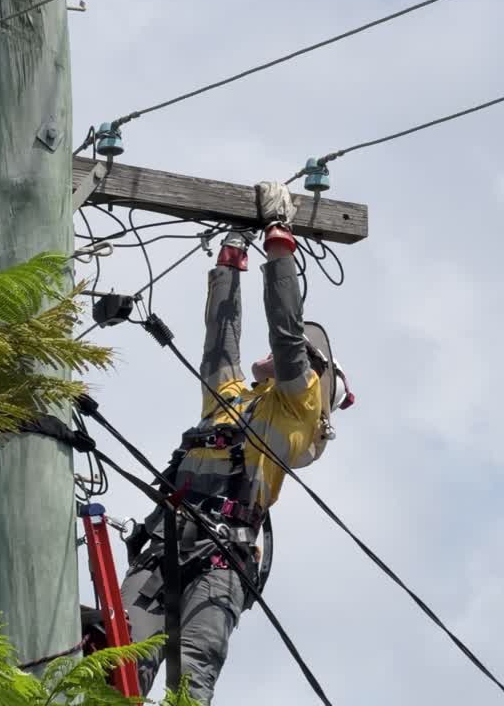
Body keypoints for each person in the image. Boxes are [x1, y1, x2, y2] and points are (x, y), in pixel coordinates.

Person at [119, 181, 354, 703]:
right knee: (118, 664)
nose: (268, 355)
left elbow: (287, 336)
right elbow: (218, 344)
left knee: (192, 678)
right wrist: (229, 259)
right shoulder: (232, 401)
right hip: (163, 549)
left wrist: (278, 244)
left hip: (222, 557)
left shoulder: (296, 407)